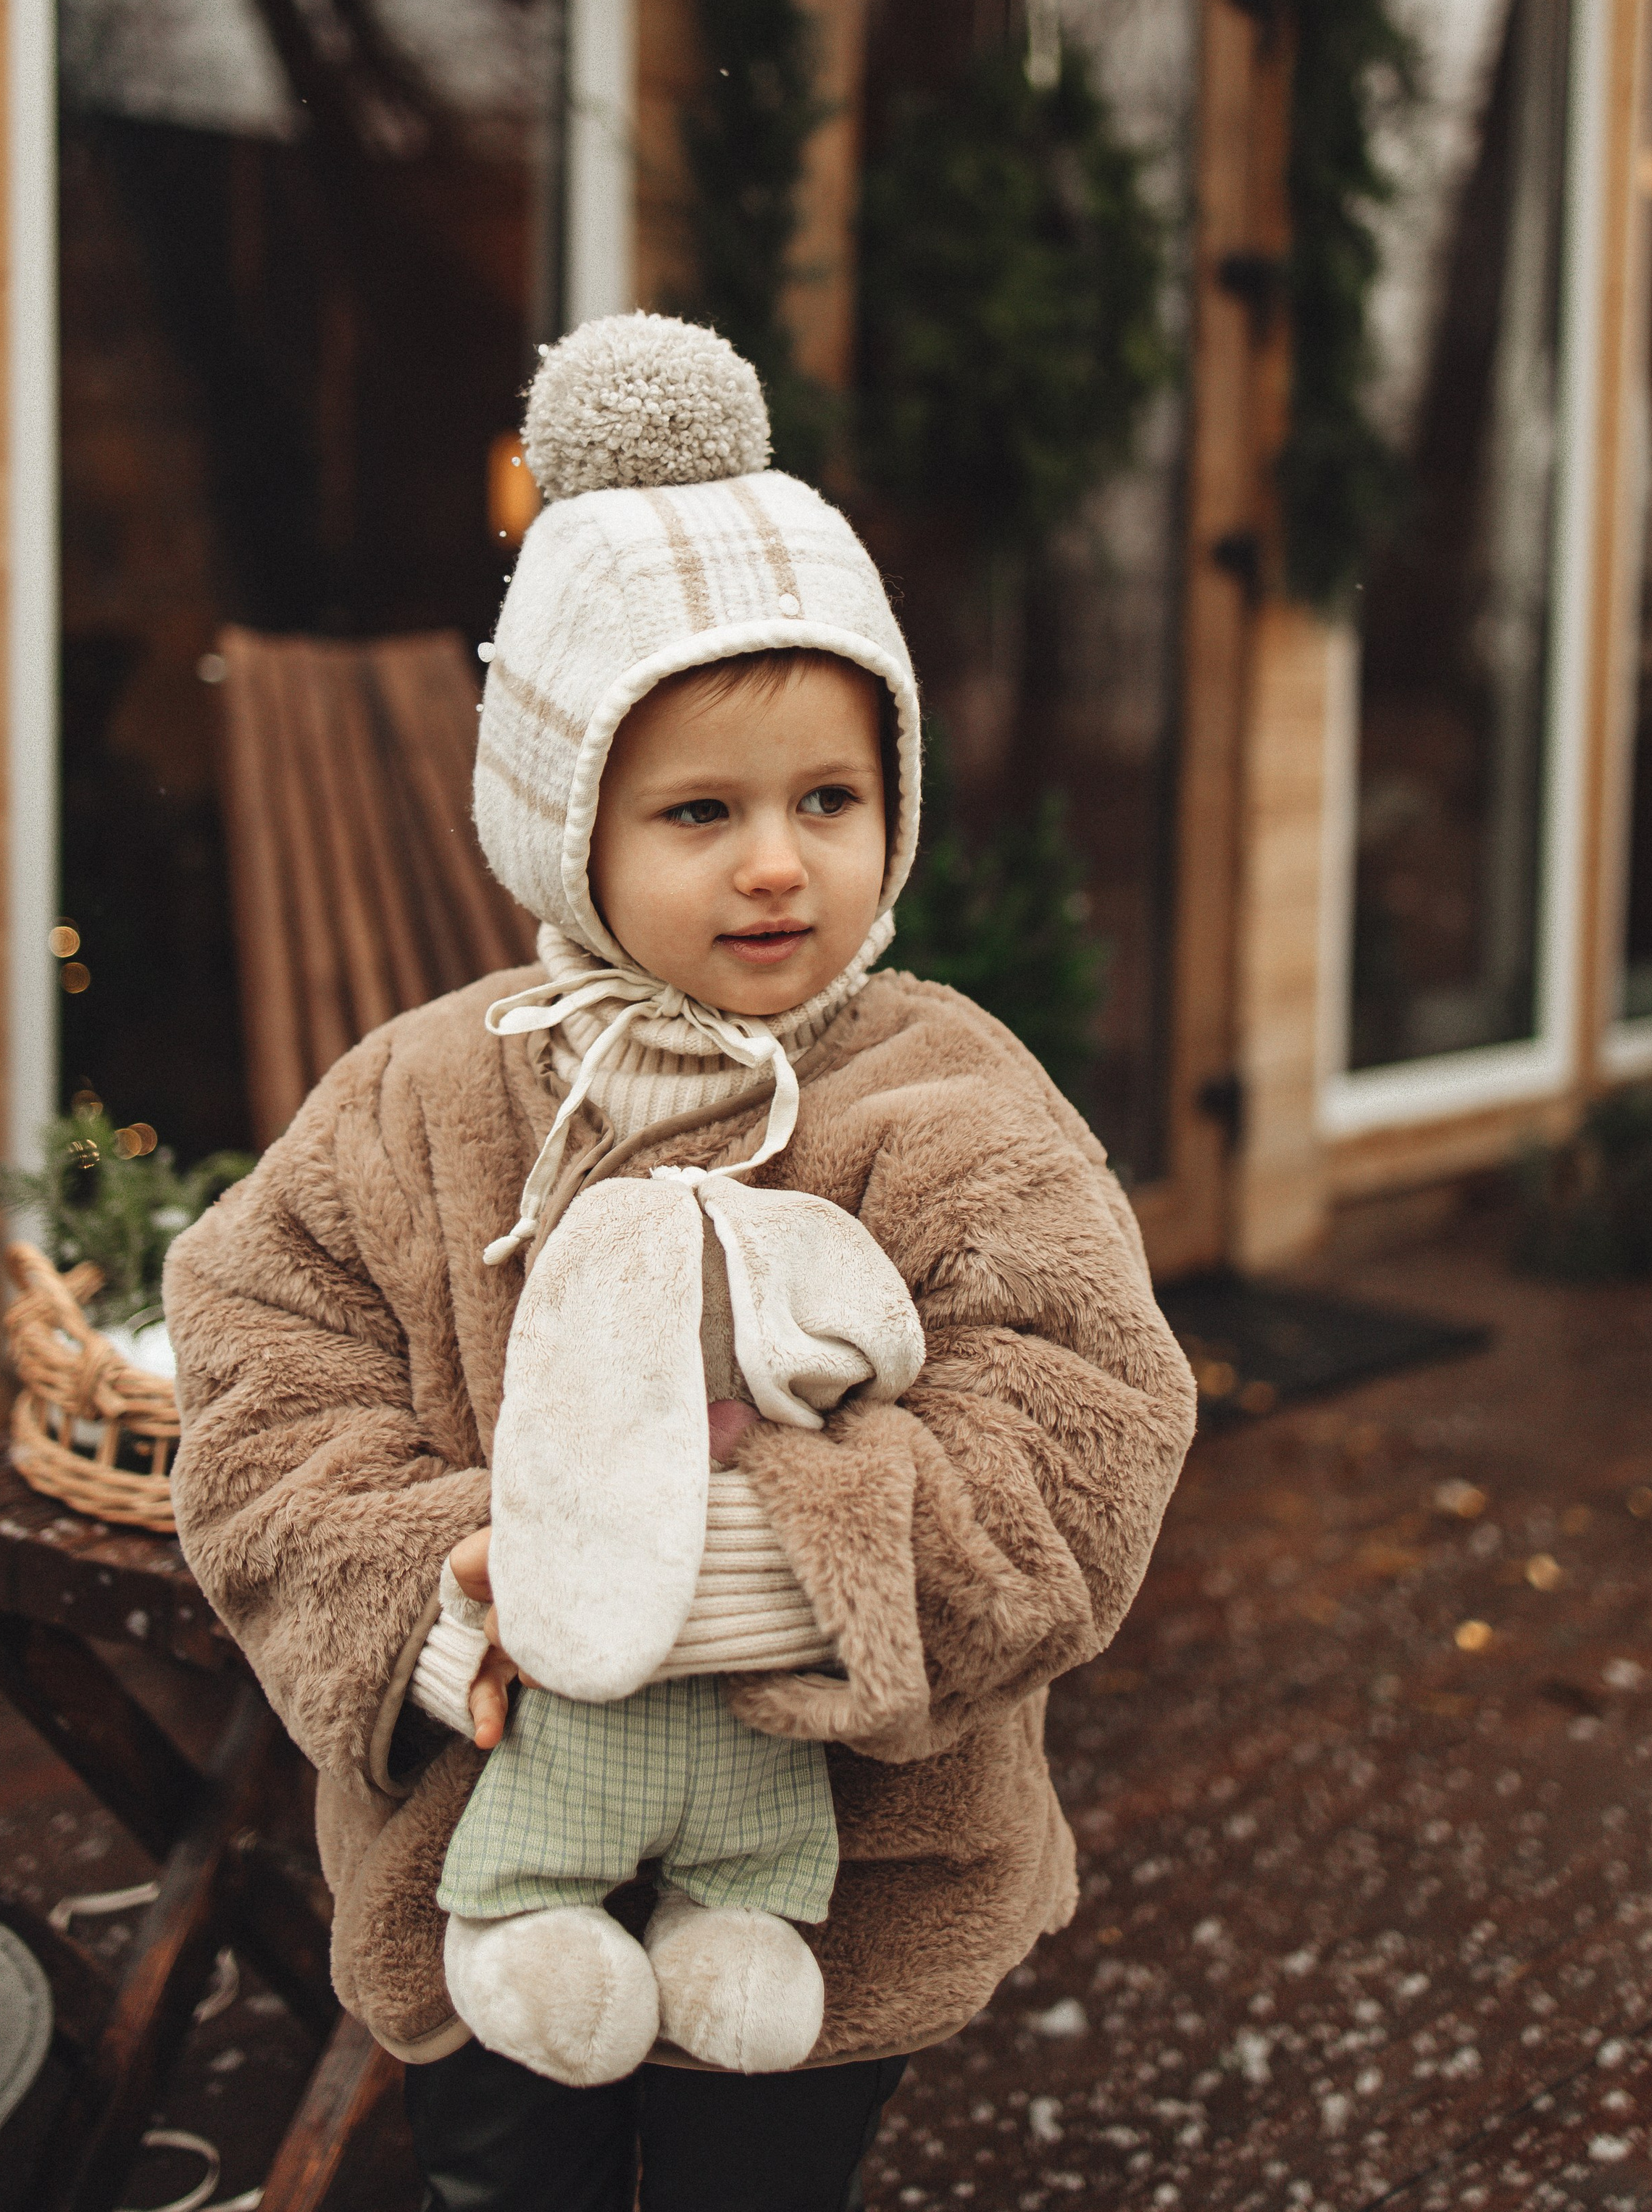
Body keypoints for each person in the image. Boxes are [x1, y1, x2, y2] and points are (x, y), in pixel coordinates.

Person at [164, 314, 1198, 2212]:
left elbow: (1080, 1419)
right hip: (488, 1848)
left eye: (829, 798)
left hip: (846, 1888)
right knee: (506, 2172)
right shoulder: (427, 1096)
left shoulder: (951, 1091)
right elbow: (257, 1362)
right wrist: (433, 1586)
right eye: (700, 814)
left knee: (760, 2173)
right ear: (571, 829)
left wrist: (790, 1566)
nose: (779, 865)